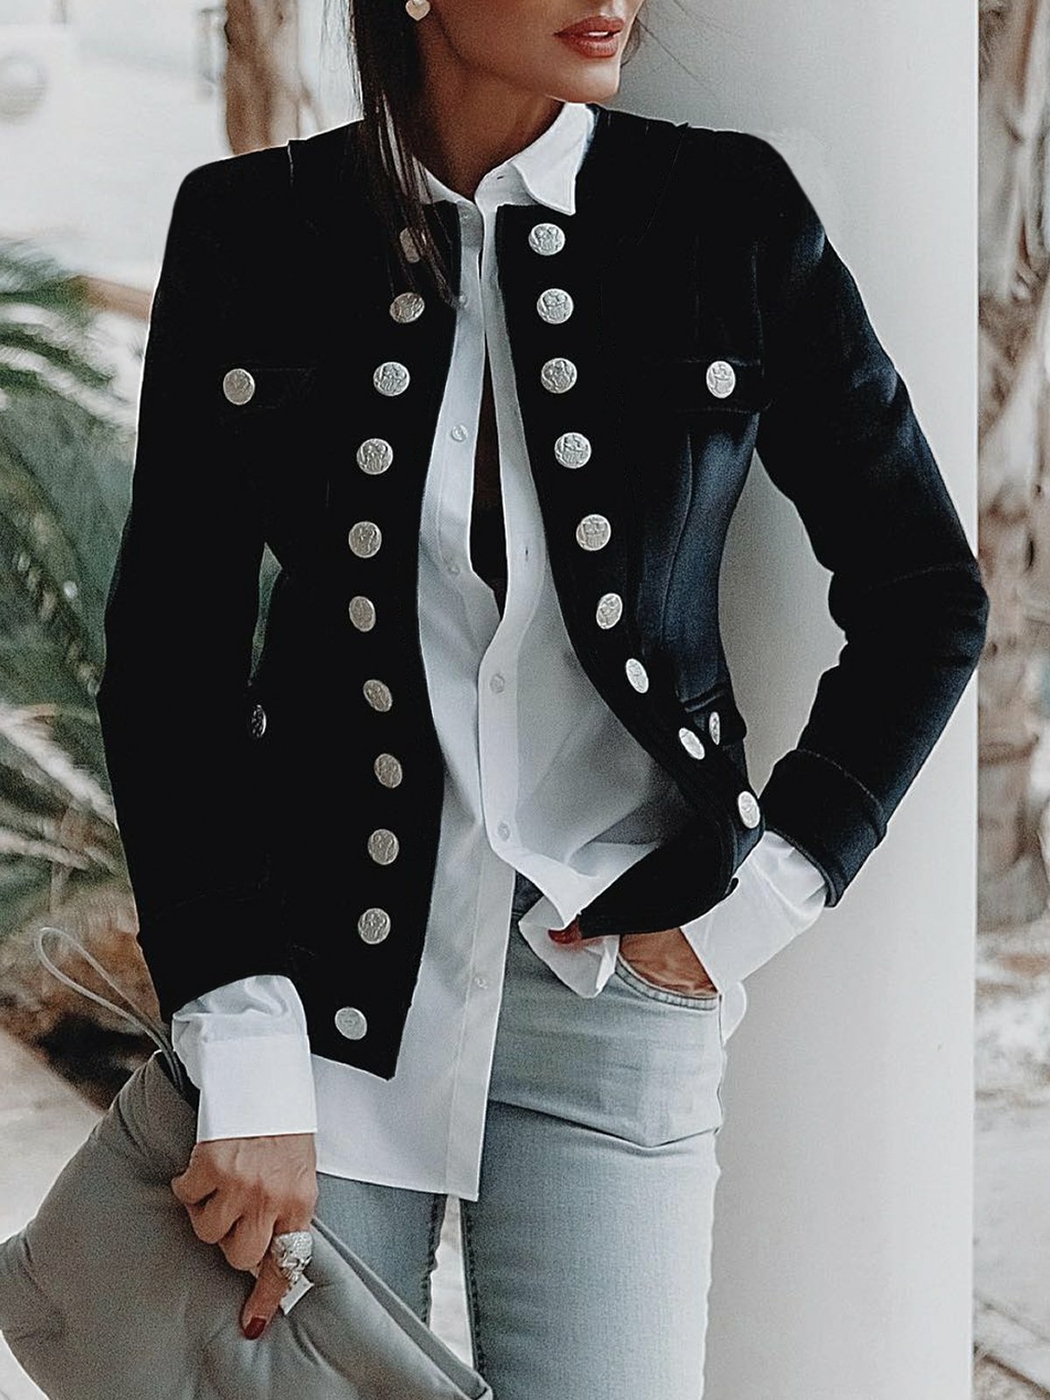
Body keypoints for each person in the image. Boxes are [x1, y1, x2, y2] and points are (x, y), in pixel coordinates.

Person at [93, 1, 989, 1396]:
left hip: (613, 996)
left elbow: (927, 591)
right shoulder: (252, 229)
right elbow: (171, 665)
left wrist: (747, 907)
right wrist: (243, 1038)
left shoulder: (729, 215)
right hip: (318, 1009)